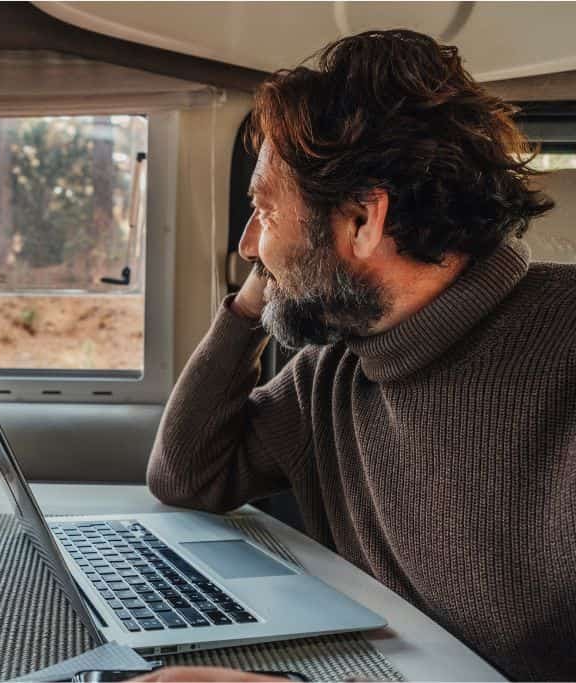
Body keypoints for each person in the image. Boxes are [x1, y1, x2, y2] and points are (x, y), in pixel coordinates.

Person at [143, 29, 576, 682]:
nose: (248, 243)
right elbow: (188, 476)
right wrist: (258, 293)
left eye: (264, 211)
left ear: (363, 220)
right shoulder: (334, 375)